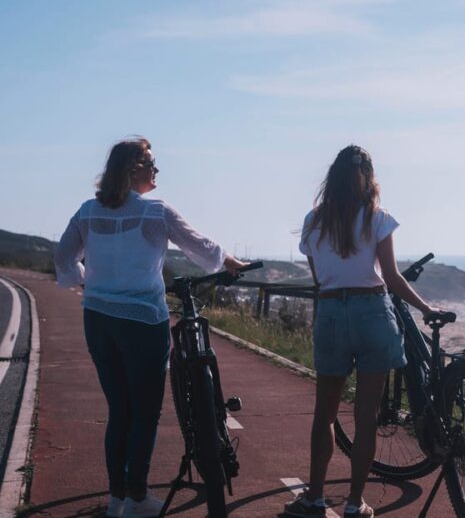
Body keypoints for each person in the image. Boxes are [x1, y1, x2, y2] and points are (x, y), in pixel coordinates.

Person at [54, 136, 246, 518]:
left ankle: (116, 500)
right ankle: (138, 497)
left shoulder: (88, 212)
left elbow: (62, 257)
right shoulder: (155, 211)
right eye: (152, 164)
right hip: (142, 321)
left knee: (119, 411)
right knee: (144, 414)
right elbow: (199, 245)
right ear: (133, 170)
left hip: (98, 319)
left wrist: (88, 281)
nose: (157, 171)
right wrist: (228, 261)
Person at [285, 145, 442, 518]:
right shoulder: (377, 218)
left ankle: (315, 499)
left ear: (332, 176)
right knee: (367, 416)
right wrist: (426, 308)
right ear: (369, 176)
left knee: (324, 414)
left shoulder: (313, 220)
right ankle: (356, 503)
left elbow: (318, 279)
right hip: (373, 312)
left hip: (333, 313)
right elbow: (391, 278)